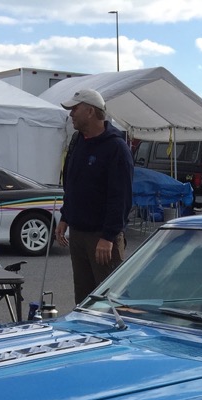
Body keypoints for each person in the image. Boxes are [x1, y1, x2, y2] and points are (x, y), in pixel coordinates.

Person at [53, 88, 134, 304]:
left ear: (90, 111)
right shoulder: (77, 141)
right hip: (78, 233)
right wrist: (65, 216)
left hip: (102, 237)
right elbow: (72, 183)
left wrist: (108, 237)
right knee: (83, 299)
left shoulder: (116, 147)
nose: (71, 114)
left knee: (109, 300)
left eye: (75, 109)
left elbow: (121, 197)